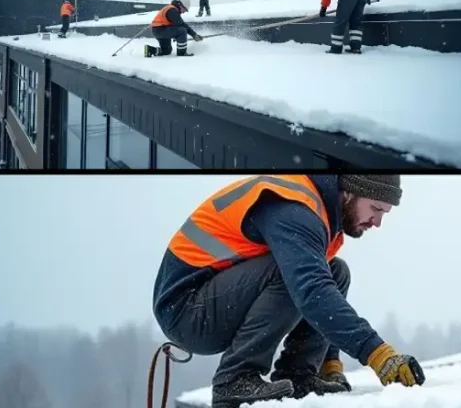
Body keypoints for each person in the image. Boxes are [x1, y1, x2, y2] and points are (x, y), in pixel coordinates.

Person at [152, 175, 425, 408]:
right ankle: (234, 380)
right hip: (186, 309)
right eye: (375, 208)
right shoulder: (293, 208)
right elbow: (311, 289)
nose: (377, 222)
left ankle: (300, 374)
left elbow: (321, 287)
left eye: (384, 214)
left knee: (335, 271)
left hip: (214, 299)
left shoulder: (316, 210)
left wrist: (329, 363)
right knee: (294, 274)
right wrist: (377, 353)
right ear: (350, 192)